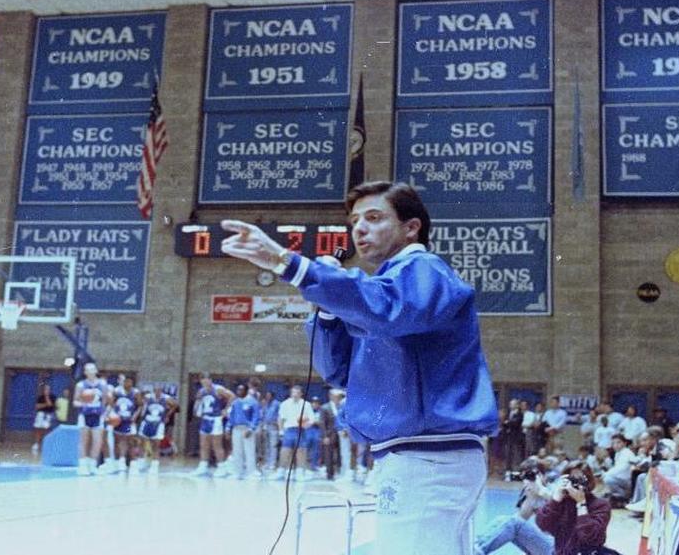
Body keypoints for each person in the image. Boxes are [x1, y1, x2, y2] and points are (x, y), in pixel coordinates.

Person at [222, 180, 499, 555]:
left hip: (429, 458)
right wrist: (327, 311)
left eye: (373, 217)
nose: (359, 229)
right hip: (413, 458)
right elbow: (337, 371)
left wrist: (289, 264)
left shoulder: (424, 269)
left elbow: (382, 309)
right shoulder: (384, 290)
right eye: (354, 222)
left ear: (411, 227)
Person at [476, 462, 612, 555]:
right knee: (511, 523)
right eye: (572, 479)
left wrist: (581, 504)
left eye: (579, 480)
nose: (575, 484)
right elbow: (542, 524)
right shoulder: (563, 500)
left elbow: (591, 539)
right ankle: (473, 551)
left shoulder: (601, 505)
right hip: (557, 550)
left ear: (589, 482)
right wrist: (556, 499)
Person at [190, 372, 234, 477]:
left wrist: (226, 410)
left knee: (216, 445)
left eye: (206, 379)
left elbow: (232, 396)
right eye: (202, 380)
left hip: (216, 419)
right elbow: (199, 403)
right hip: (205, 418)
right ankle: (203, 466)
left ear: (210, 380)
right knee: (204, 444)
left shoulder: (218, 389)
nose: (204, 382)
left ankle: (221, 467)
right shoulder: (201, 391)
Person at [73, 362, 109, 476]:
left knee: (97, 440)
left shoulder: (102, 384)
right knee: (84, 440)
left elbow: (105, 401)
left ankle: (92, 465)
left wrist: (103, 411)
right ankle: (83, 465)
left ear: (96, 371)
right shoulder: (81, 385)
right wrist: (85, 404)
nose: (91, 371)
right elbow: (75, 401)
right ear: (85, 372)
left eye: (92, 369)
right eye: (88, 369)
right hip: (85, 415)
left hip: (98, 415)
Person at [271, 384, 311, 481]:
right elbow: (280, 418)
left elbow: (311, 419)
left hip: (301, 430)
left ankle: (300, 472)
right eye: (293, 392)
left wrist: (306, 424)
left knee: (301, 451)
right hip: (289, 430)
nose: (295, 394)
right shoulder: (285, 404)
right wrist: (281, 431)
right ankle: (281, 471)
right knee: (285, 451)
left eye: (297, 392)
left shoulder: (306, 404)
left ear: (301, 394)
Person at [224, 383, 260, 479]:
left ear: (246, 390)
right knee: (237, 451)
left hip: (247, 429)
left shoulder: (253, 402)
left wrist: (251, 429)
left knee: (249, 451)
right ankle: (237, 472)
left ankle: (251, 472)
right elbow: (231, 416)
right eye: (238, 390)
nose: (239, 392)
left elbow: (256, 417)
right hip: (236, 429)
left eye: (241, 390)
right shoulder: (235, 403)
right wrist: (228, 428)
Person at [138, 386, 171, 475]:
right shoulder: (148, 397)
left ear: (161, 391)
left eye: (159, 390)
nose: (157, 391)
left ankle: (155, 465)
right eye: (156, 390)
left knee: (156, 444)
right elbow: (140, 401)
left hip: (158, 423)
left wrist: (168, 415)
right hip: (147, 421)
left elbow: (175, 405)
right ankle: (142, 462)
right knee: (142, 442)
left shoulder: (166, 398)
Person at [258, 389, 280, 476]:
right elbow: (262, 414)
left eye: (269, 395)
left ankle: (272, 463)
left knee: (273, 445)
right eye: (266, 395)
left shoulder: (277, 404)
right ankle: (267, 462)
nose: (268, 397)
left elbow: (280, 415)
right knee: (266, 445)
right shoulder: (265, 404)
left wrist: (278, 425)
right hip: (265, 425)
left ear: (272, 396)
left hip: (274, 426)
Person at [32, 383, 55, 455]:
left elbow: (50, 405)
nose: (46, 390)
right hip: (40, 414)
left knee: (46, 430)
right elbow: (37, 406)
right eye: (45, 389)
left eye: (48, 389)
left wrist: (47, 397)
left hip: (48, 415)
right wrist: (45, 405)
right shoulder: (40, 397)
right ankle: (36, 444)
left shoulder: (52, 397)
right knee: (38, 429)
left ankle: (45, 444)